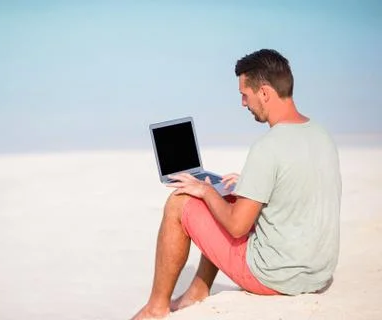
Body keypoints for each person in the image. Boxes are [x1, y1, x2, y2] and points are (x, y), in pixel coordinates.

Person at [131, 49, 342, 320]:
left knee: (179, 202)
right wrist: (250, 184)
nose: (243, 103)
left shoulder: (268, 147)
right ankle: (197, 291)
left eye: (245, 94)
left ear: (264, 93)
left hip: (276, 277)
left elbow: (237, 227)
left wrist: (205, 190)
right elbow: (299, 182)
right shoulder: (320, 134)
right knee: (231, 195)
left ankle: (156, 308)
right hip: (318, 274)